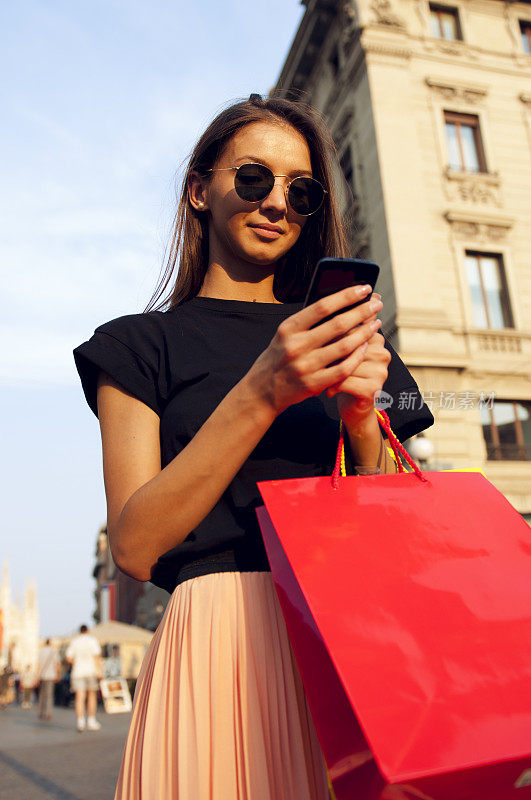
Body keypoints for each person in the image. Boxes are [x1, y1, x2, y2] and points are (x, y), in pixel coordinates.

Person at [73, 94, 433, 799]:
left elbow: (396, 530)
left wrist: (362, 421)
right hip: (217, 640)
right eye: (251, 178)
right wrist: (263, 389)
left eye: (300, 191)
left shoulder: (348, 336)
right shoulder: (138, 345)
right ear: (198, 188)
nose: (276, 203)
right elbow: (136, 547)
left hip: (347, 641)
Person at [65, 624, 102, 732]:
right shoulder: (92, 641)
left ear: (79, 631)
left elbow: (68, 658)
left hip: (77, 672)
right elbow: (97, 657)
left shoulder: (74, 642)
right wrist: (100, 671)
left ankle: (80, 721)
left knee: (79, 697)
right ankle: (91, 720)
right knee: (91, 695)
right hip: (90, 671)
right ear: (88, 631)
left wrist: (76, 661)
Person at [36, 638, 61, 721]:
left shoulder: (41, 651)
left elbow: (38, 665)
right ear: (50, 643)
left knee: (41, 695)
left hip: (42, 675)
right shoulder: (54, 652)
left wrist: (37, 676)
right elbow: (57, 664)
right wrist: (58, 675)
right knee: (49, 695)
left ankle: (40, 712)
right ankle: (48, 713)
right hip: (51, 675)